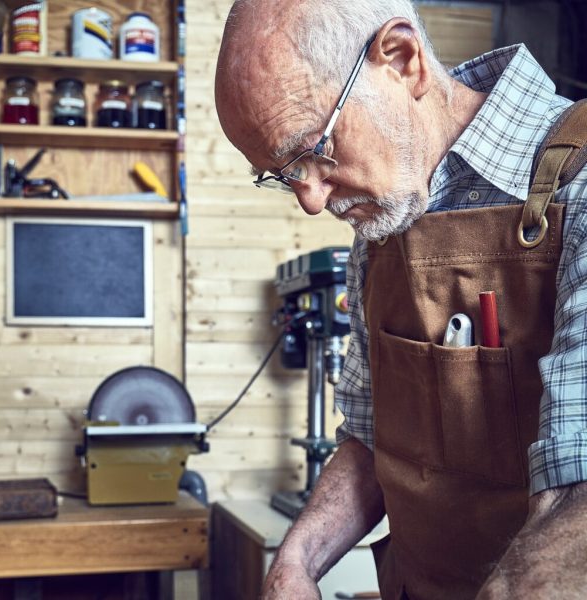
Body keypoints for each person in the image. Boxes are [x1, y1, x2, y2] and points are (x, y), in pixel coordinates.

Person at [214, 0, 587, 598]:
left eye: (314, 149)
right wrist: (298, 561)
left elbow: (578, 484)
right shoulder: (385, 219)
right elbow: (371, 439)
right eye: (284, 174)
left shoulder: (582, 181)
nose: (311, 200)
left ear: (402, 59)